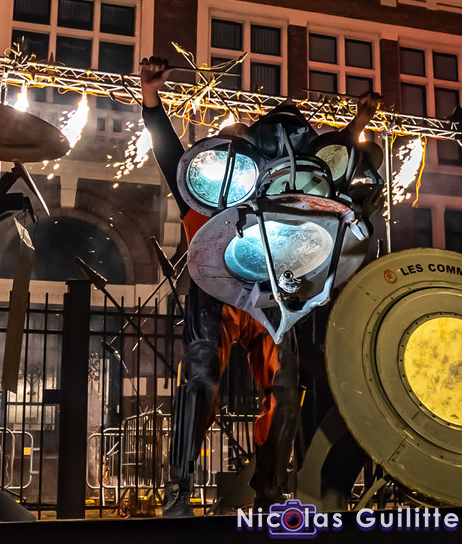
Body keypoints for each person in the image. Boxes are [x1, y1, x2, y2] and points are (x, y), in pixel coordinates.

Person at [141, 56, 380, 516]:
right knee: (201, 379)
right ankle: (179, 489)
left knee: (286, 393)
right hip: (215, 296)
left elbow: (330, 169)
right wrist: (151, 99)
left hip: (269, 299)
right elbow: (170, 153)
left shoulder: (283, 193)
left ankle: (270, 492)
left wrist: (357, 126)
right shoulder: (206, 193)